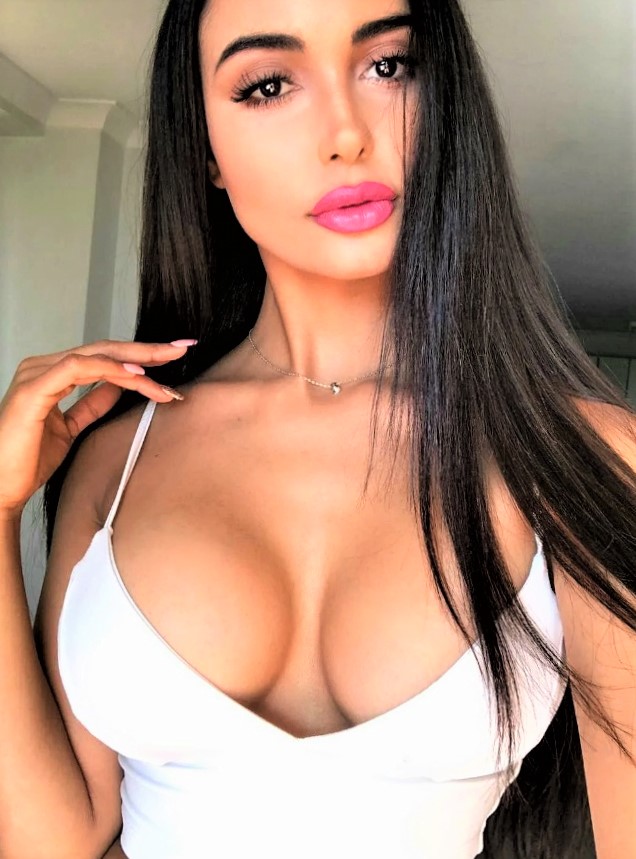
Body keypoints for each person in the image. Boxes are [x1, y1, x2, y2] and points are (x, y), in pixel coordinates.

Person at [0, 0, 635, 857]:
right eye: (268, 85)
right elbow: (55, 839)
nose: (345, 134)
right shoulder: (116, 457)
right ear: (205, 150)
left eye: (388, 66)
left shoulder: (581, 455)